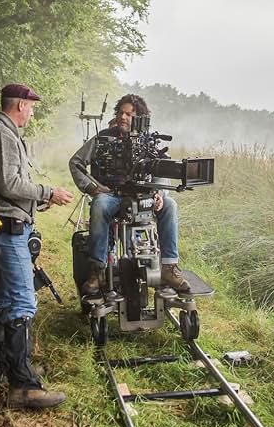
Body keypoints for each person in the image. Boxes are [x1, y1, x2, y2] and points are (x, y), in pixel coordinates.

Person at [0, 83, 73, 409]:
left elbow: (8, 188)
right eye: (31, 106)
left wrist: (36, 205)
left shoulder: (2, 133)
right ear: (19, 105)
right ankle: (23, 386)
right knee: (22, 301)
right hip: (8, 231)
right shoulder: (1, 135)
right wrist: (48, 192)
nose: (32, 112)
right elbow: (9, 183)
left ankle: (9, 366)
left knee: (5, 299)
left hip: (9, 224)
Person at [68, 93, 190, 295]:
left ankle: (169, 267)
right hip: (112, 195)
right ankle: (97, 270)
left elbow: (160, 170)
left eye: (129, 114)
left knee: (170, 205)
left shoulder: (150, 142)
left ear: (141, 118)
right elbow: (76, 163)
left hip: (145, 197)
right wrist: (92, 187)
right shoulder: (102, 138)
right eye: (120, 113)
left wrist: (159, 194)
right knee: (99, 205)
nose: (123, 117)